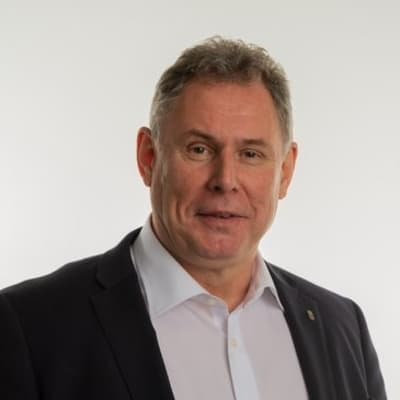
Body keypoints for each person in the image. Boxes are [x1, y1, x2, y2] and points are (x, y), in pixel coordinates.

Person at [0, 37, 386, 400]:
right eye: (199, 149)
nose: (225, 180)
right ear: (148, 158)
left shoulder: (342, 326)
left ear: (285, 172)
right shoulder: (30, 327)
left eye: (251, 154)